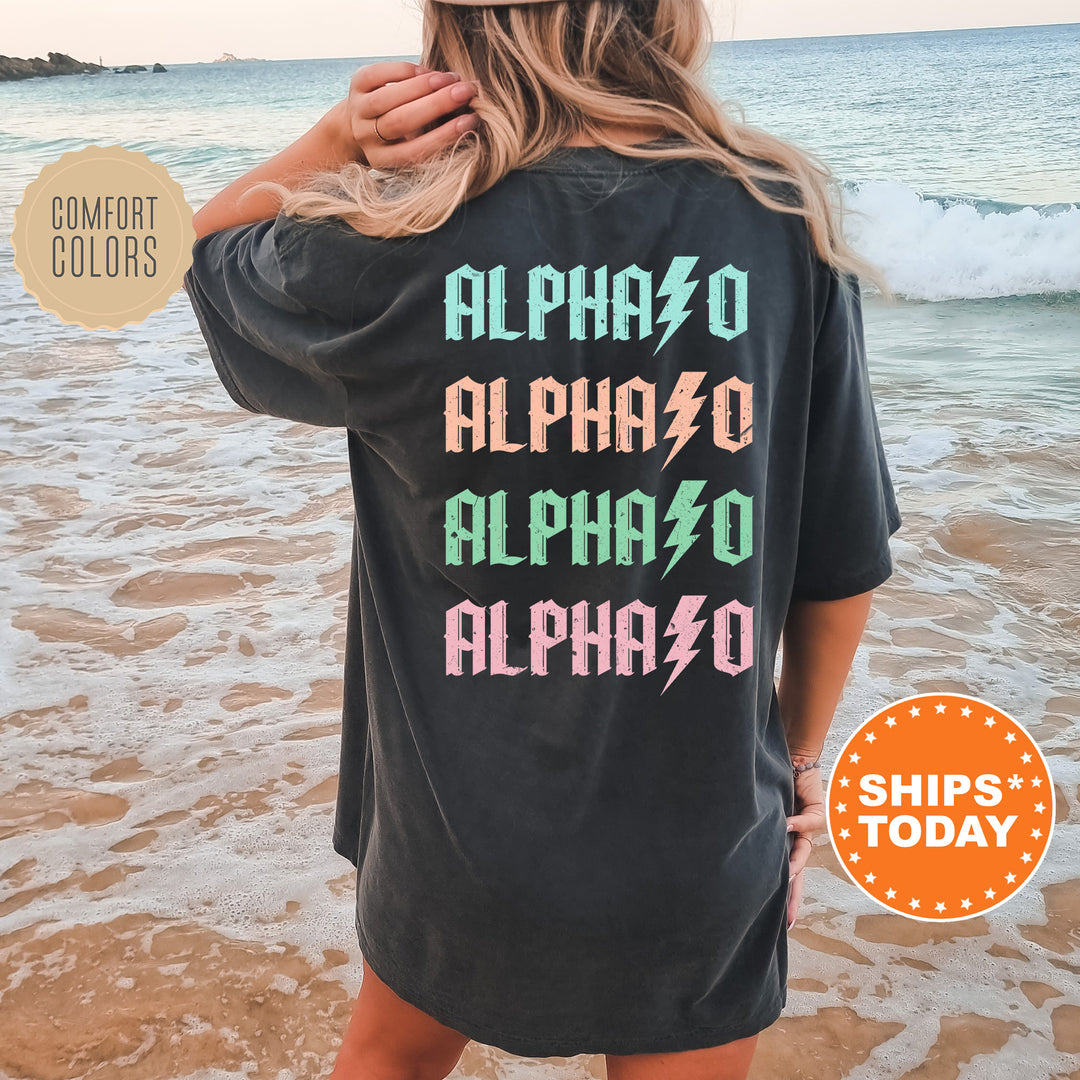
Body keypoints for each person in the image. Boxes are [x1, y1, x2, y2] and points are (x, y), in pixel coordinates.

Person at [182, 1, 903, 1077]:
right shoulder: (778, 219)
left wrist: (339, 142)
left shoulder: (395, 237)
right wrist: (801, 764)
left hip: (455, 835)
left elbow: (203, 252)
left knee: (387, 1057)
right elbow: (842, 561)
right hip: (697, 833)